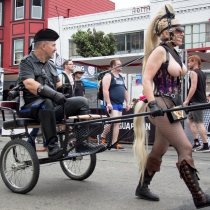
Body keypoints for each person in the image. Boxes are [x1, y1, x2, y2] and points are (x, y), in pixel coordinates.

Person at [133, 3, 210, 209]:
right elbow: (147, 79)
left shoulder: (174, 52)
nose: (182, 33)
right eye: (178, 30)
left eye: (182, 30)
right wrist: (151, 103)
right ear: (166, 33)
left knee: (158, 149)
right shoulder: (160, 51)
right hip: (160, 105)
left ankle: (142, 187)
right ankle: (199, 196)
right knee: (185, 146)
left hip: (173, 106)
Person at [18, 28, 103, 159]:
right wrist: (53, 94)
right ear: (43, 46)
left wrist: (64, 89)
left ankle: (82, 143)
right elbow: (29, 84)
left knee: (82, 101)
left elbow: (58, 86)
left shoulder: (51, 65)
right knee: (46, 102)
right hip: (31, 108)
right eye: (53, 45)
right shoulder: (26, 62)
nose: (55, 49)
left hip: (51, 107)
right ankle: (52, 147)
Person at [101, 58, 130, 150]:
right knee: (114, 121)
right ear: (113, 66)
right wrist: (108, 103)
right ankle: (102, 135)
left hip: (120, 103)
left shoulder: (121, 77)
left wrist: (128, 102)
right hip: (112, 103)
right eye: (119, 64)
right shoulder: (108, 76)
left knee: (117, 123)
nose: (121, 65)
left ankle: (114, 142)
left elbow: (125, 90)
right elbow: (105, 90)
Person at [183, 55, 210, 152]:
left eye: (189, 62)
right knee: (189, 121)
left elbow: (193, 87)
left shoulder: (193, 72)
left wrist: (187, 100)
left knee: (199, 123)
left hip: (196, 101)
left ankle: (206, 145)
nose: (188, 64)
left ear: (194, 61)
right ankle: (197, 142)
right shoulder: (202, 73)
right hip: (199, 100)